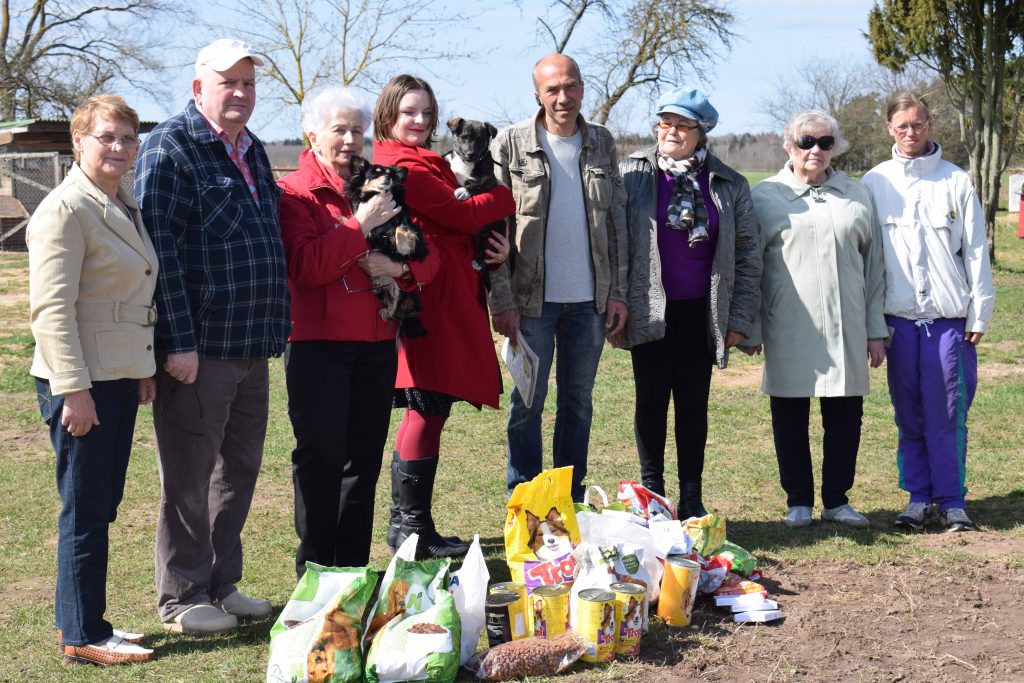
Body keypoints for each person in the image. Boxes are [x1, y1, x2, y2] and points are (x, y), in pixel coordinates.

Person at [135, 38, 289, 634]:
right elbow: (161, 255)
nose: (241, 93)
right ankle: (182, 596)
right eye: (229, 83)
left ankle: (222, 583)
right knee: (189, 472)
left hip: (253, 342)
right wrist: (178, 341)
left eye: (248, 83)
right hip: (199, 349)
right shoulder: (171, 147)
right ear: (199, 87)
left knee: (240, 469)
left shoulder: (250, 151)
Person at [277, 86, 439, 577]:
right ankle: (317, 571)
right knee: (321, 462)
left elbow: (427, 262)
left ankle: (352, 570)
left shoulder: (378, 183)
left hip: (374, 344)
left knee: (363, 464)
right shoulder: (295, 193)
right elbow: (306, 267)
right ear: (312, 133)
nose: (350, 140)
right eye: (339, 130)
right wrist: (360, 222)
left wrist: (396, 268)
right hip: (317, 345)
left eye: (357, 131)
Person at [28, 95, 157, 665]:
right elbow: (51, 310)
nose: (120, 148)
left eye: (128, 138)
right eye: (107, 137)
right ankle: (82, 633)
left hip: (117, 376)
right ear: (78, 141)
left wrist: (142, 369)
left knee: (100, 504)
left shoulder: (121, 201)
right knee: (83, 509)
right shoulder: (65, 209)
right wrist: (72, 389)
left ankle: (91, 621)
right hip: (82, 383)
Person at [371, 74, 515, 559]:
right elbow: (460, 217)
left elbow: (461, 223)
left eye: (426, 113)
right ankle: (408, 530)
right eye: (409, 111)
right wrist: (502, 198)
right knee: (424, 402)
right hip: (429, 298)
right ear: (388, 113)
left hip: (447, 292)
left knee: (432, 405)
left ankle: (416, 527)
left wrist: (490, 247)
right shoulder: (400, 165)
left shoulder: (422, 162)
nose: (419, 121)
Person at [617, 87, 761, 518]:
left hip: (703, 311)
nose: (671, 132)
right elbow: (616, 242)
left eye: (682, 126)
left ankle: (692, 496)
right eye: (664, 123)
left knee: (693, 404)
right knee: (651, 399)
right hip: (649, 308)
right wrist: (616, 302)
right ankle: (653, 495)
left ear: (702, 132)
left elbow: (749, 254)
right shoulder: (633, 173)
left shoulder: (728, 183)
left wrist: (739, 317)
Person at [490, 53, 629, 502]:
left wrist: (617, 294)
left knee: (578, 404)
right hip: (530, 304)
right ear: (538, 95)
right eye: (552, 90)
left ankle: (567, 501)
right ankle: (526, 501)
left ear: (583, 88)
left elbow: (617, 225)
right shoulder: (510, 144)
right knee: (526, 404)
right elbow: (492, 230)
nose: (563, 97)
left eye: (570, 86)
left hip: (589, 304)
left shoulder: (603, 143)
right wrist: (502, 301)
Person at [745, 111, 888, 529]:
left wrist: (876, 330)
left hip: (847, 323)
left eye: (825, 143)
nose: (815, 151)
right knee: (789, 413)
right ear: (789, 145)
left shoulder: (857, 195)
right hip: (789, 321)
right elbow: (750, 265)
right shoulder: (765, 196)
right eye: (806, 142)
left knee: (845, 414)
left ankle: (837, 500)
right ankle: (799, 501)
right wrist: (751, 326)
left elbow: (875, 267)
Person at [862, 92, 995, 532]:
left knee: (948, 411)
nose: (911, 133)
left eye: (918, 124)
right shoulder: (875, 182)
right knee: (910, 414)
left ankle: (952, 500)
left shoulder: (956, 181)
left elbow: (975, 250)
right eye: (902, 126)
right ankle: (918, 498)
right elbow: (868, 259)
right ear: (889, 129)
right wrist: (873, 324)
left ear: (930, 124)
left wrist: (980, 312)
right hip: (898, 321)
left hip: (948, 320)